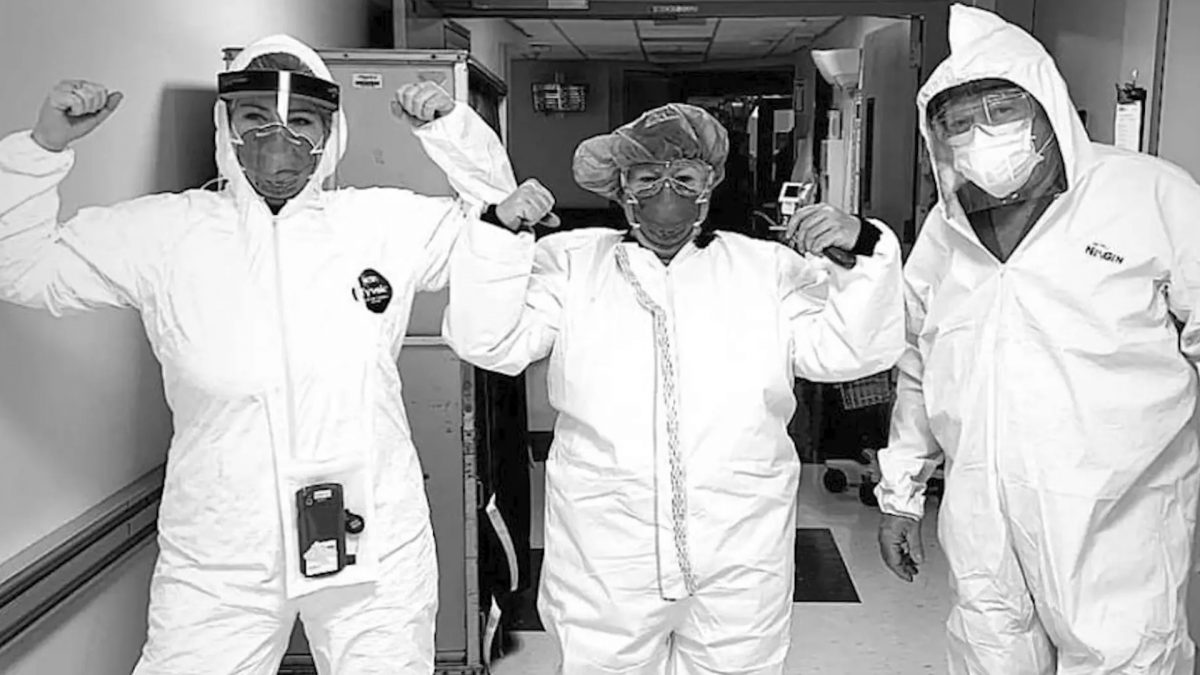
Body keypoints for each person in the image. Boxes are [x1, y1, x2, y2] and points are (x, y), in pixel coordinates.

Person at [0, 34, 553, 674]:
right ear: (225, 124)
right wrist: (42, 150)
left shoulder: (381, 225)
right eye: (256, 118)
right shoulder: (166, 235)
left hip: (370, 538)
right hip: (220, 549)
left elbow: (498, 223)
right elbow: (20, 265)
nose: (278, 139)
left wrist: (453, 128)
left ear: (331, 131)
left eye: (302, 122)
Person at [442, 102, 905, 674]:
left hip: (739, 547)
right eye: (646, 177)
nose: (668, 191)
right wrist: (501, 233)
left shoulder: (765, 270)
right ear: (621, 189)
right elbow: (488, 342)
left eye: (684, 177)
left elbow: (853, 351)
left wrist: (859, 251)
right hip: (607, 550)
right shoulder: (570, 264)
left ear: (709, 187)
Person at [875, 5, 1200, 673]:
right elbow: (920, 366)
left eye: (1001, 109)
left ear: (1047, 106)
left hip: (1117, 520)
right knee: (990, 657)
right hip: (982, 527)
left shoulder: (1149, 196)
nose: (981, 135)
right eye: (958, 123)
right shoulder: (946, 231)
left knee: (1127, 659)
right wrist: (901, 495)